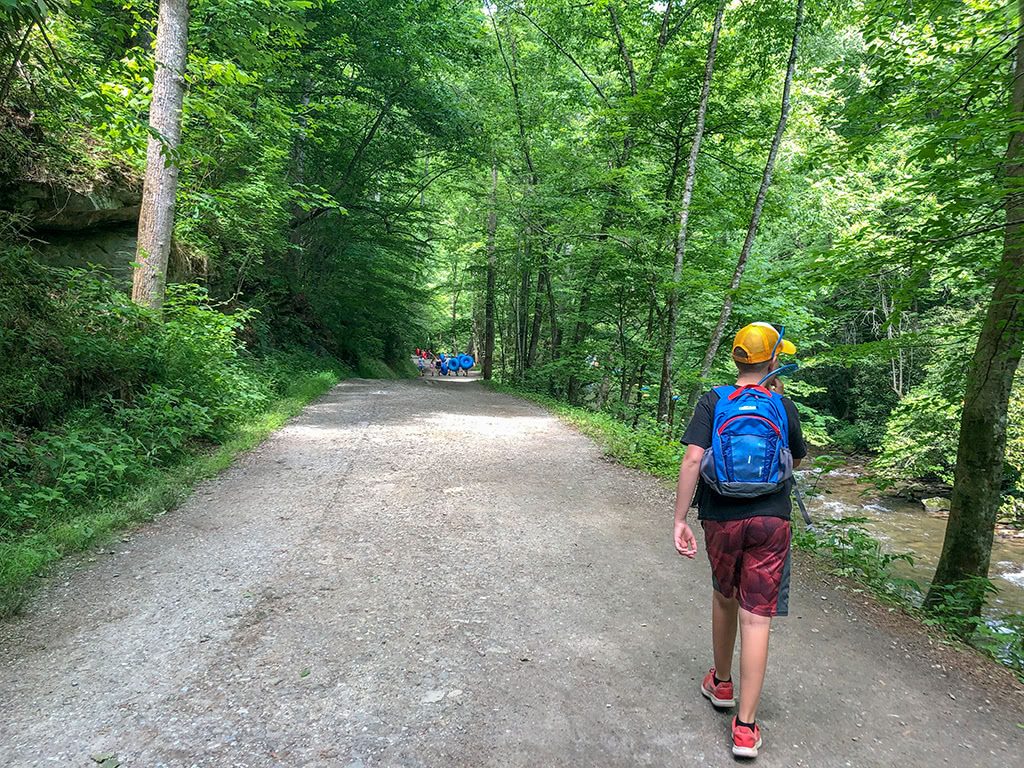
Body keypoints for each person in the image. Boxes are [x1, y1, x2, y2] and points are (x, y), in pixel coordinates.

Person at [673, 322, 806, 760]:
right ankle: (745, 729)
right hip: (772, 520)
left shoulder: (713, 400)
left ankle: (722, 683)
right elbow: (797, 459)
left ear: (735, 358)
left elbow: (693, 458)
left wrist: (679, 519)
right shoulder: (782, 405)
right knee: (757, 618)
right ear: (772, 360)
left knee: (723, 595)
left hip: (721, 518)